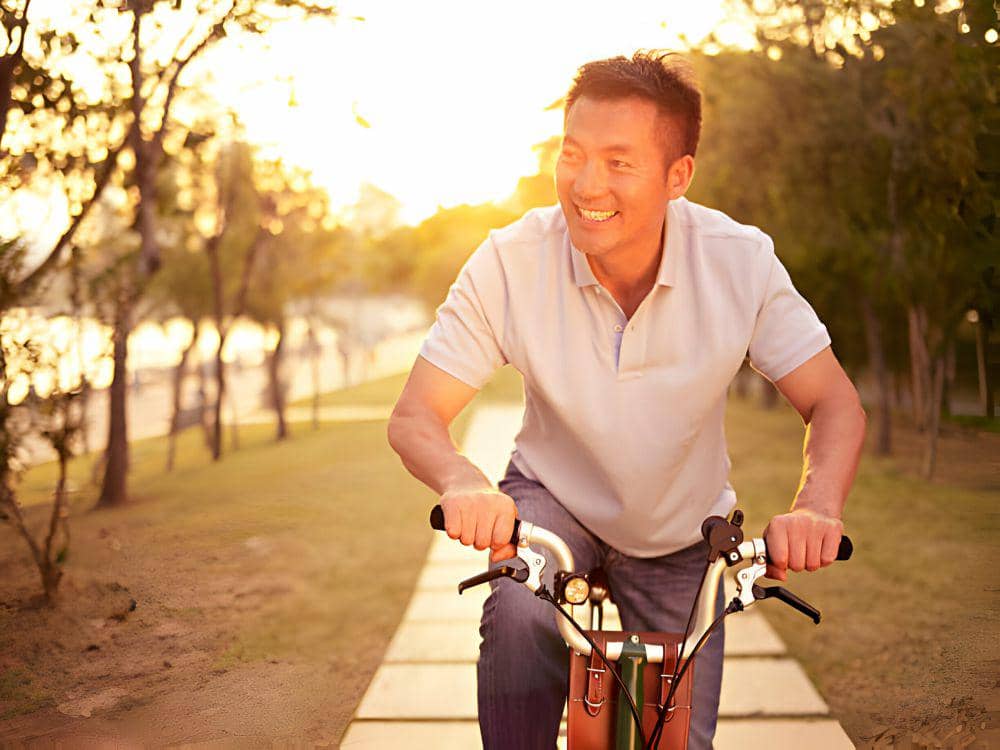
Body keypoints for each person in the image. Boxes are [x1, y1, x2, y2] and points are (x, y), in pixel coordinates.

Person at [387, 50, 866, 750]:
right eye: (572, 153)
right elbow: (415, 415)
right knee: (518, 613)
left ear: (679, 177)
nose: (585, 184)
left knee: (675, 742)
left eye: (619, 162)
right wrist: (463, 480)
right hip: (555, 502)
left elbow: (834, 402)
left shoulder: (739, 261)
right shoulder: (510, 261)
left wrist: (817, 504)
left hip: (681, 528)